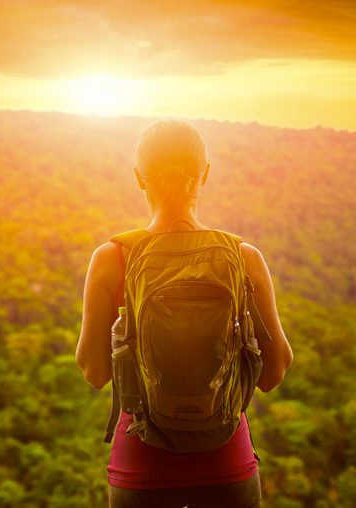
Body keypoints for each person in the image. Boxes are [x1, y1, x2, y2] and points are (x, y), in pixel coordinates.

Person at [75, 119, 293, 508]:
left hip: (141, 467)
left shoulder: (113, 259)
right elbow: (274, 373)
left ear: (140, 178)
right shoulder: (244, 258)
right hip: (227, 462)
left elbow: (94, 372)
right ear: (204, 175)